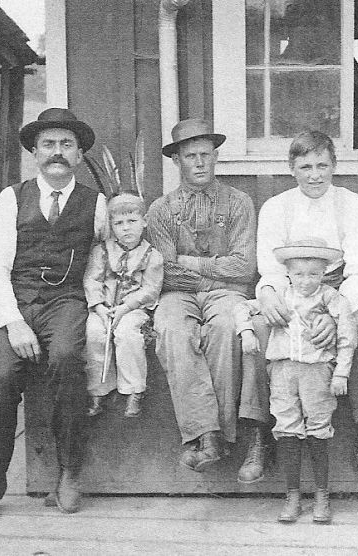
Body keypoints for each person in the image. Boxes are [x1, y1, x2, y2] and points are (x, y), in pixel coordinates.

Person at [0, 108, 108, 523]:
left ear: (80, 155)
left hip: (65, 301)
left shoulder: (96, 203)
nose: (57, 152)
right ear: (34, 151)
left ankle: (68, 472)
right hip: (15, 301)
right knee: (3, 378)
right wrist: (13, 322)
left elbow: (106, 257)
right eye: (48, 144)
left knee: (67, 359)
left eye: (67, 144)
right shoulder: (12, 198)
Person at [241, 130, 358, 486]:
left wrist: (338, 316)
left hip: (341, 289)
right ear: (292, 168)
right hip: (293, 290)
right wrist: (271, 293)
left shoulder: (353, 204)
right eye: (306, 166)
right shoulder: (277, 207)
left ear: (334, 165)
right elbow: (269, 267)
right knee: (260, 329)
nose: (315, 174)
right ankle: (260, 433)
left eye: (322, 165)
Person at [146, 118, 257, 472]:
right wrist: (212, 273)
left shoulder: (239, 203)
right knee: (172, 330)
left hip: (227, 293)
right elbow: (165, 269)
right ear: (176, 161)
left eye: (206, 155)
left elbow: (244, 267)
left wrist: (190, 261)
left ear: (216, 157)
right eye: (190, 155)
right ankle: (204, 433)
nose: (199, 163)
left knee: (226, 329)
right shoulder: (160, 210)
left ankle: (219, 435)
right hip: (178, 294)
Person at [235, 238, 356, 524]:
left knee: (318, 427)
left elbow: (348, 337)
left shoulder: (332, 300)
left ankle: (322, 496)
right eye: (299, 274)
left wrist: (341, 372)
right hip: (283, 371)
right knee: (287, 427)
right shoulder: (280, 297)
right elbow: (242, 307)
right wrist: (247, 332)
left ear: (324, 273)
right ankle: (292, 495)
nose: (305, 281)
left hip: (316, 371)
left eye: (313, 274)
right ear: (287, 273)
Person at [84, 193, 164, 418]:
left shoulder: (152, 255)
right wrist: (99, 306)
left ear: (144, 221)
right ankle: (99, 390)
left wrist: (126, 307)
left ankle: (134, 390)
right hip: (103, 307)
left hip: (133, 309)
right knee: (94, 334)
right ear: (111, 226)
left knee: (127, 334)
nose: (126, 228)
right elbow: (92, 279)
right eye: (119, 223)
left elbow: (150, 289)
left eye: (132, 222)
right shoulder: (102, 251)